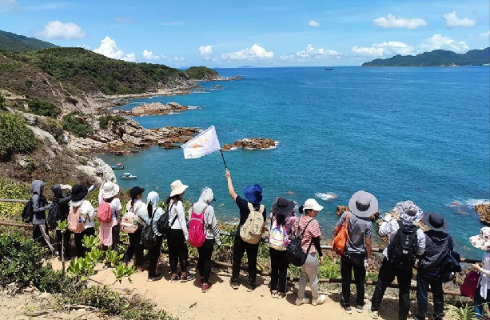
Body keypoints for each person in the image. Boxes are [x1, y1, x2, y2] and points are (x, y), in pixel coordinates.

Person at [370, 200, 426, 320]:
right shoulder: (420, 232)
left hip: (390, 261)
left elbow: (381, 232)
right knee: (404, 291)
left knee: (381, 285)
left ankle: (374, 309)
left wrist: (386, 219)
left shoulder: (394, 223)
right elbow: (421, 251)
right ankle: (402, 317)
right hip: (407, 265)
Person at [225, 169, 267, 291]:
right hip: (254, 239)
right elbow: (263, 224)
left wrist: (228, 177)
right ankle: (251, 283)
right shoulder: (263, 208)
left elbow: (232, 192)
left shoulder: (244, 204)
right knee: (252, 261)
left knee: (237, 259)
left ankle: (235, 281)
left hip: (241, 235)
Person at [335, 191, 376, 314]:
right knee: (360, 280)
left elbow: (336, 228)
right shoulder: (368, 223)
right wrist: (368, 258)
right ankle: (359, 304)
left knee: (346, 279)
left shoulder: (346, 215)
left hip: (346, 253)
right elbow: (368, 243)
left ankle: (347, 304)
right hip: (359, 255)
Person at [414, 212, 451, 320]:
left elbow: (419, 251)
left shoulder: (424, 237)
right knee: (438, 292)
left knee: (422, 293)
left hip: (424, 269)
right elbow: (449, 252)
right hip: (439, 269)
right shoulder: (447, 238)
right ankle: (438, 314)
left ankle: (421, 315)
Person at [294, 199, 326, 306]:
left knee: (303, 276)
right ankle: (315, 299)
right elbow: (316, 240)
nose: (317, 212)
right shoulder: (313, 222)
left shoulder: (298, 220)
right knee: (313, 279)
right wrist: (320, 254)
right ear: (309, 211)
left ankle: (300, 298)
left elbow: (295, 234)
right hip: (309, 254)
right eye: (315, 210)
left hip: (299, 254)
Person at [189, 187, 222, 292]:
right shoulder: (209, 209)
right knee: (207, 260)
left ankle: (202, 277)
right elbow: (214, 226)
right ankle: (205, 284)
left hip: (197, 237)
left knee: (201, 258)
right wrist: (218, 240)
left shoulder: (193, 206)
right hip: (208, 238)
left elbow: (190, 221)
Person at [269, 197, 297, 299]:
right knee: (283, 269)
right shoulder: (290, 219)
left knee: (274, 268)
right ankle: (281, 291)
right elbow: (295, 217)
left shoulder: (273, 216)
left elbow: (272, 211)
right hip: (284, 247)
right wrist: (293, 209)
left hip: (273, 245)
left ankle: (273, 290)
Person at [167, 180, 193, 282]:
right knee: (182, 253)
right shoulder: (179, 204)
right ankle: (183, 274)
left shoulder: (170, 202)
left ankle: (174, 274)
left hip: (170, 231)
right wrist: (186, 234)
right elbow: (182, 220)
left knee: (172, 253)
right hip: (178, 231)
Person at [140, 191, 165, 282]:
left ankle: (151, 271)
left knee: (150, 254)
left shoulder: (142, 209)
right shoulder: (159, 210)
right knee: (155, 255)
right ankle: (152, 274)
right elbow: (162, 222)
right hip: (156, 236)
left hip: (146, 235)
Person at [122, 186, 146, 271]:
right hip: (138, 227)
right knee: (139, 246)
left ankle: (125, 261)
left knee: (132, 245)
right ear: (138, 195)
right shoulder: (141, 205)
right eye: (141, 193)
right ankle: (139, 265)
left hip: (130, 227)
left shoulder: (129, 204)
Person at [99, 181, 122, 267]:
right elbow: (119, 213)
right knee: (114, 243)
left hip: (103, 224)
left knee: (105, 242)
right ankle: (113, 262)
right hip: (113, 223)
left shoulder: (101, 199)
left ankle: (105, 259)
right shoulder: (116, 200)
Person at [70, 185, 96, 258]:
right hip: (87, 227)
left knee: (79, 245)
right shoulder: (86, 203)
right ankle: (89, 259)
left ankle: (80, 259)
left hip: (77, 227)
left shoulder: (71, 204)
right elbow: (92, 215)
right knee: (88, 245)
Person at [470, 227, 490, 319]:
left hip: (487, 284)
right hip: (484, 282)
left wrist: (479, 268)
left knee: (478, 304)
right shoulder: (487, 251)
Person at [31, 180, 55, 253]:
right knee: (44, 236)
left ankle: (36, 252)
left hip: (40, 219)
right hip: (38, 220)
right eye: (42, 186)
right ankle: (51, 251)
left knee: (38, 237)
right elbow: (35, 209)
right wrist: (47, 207)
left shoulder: (39, 196)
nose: (43, 188)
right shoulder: (36, 197)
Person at [51, 184, 72, 260]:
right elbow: (71, 197)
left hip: (58, 222)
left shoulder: (55, 198)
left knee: (59, 238)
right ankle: (67, 254)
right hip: (62, 222)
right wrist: (71, 189)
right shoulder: (60, 200)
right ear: (59, 191)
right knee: (65, 238)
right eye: (62, 190)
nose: (64, 191)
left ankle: (60, 253)